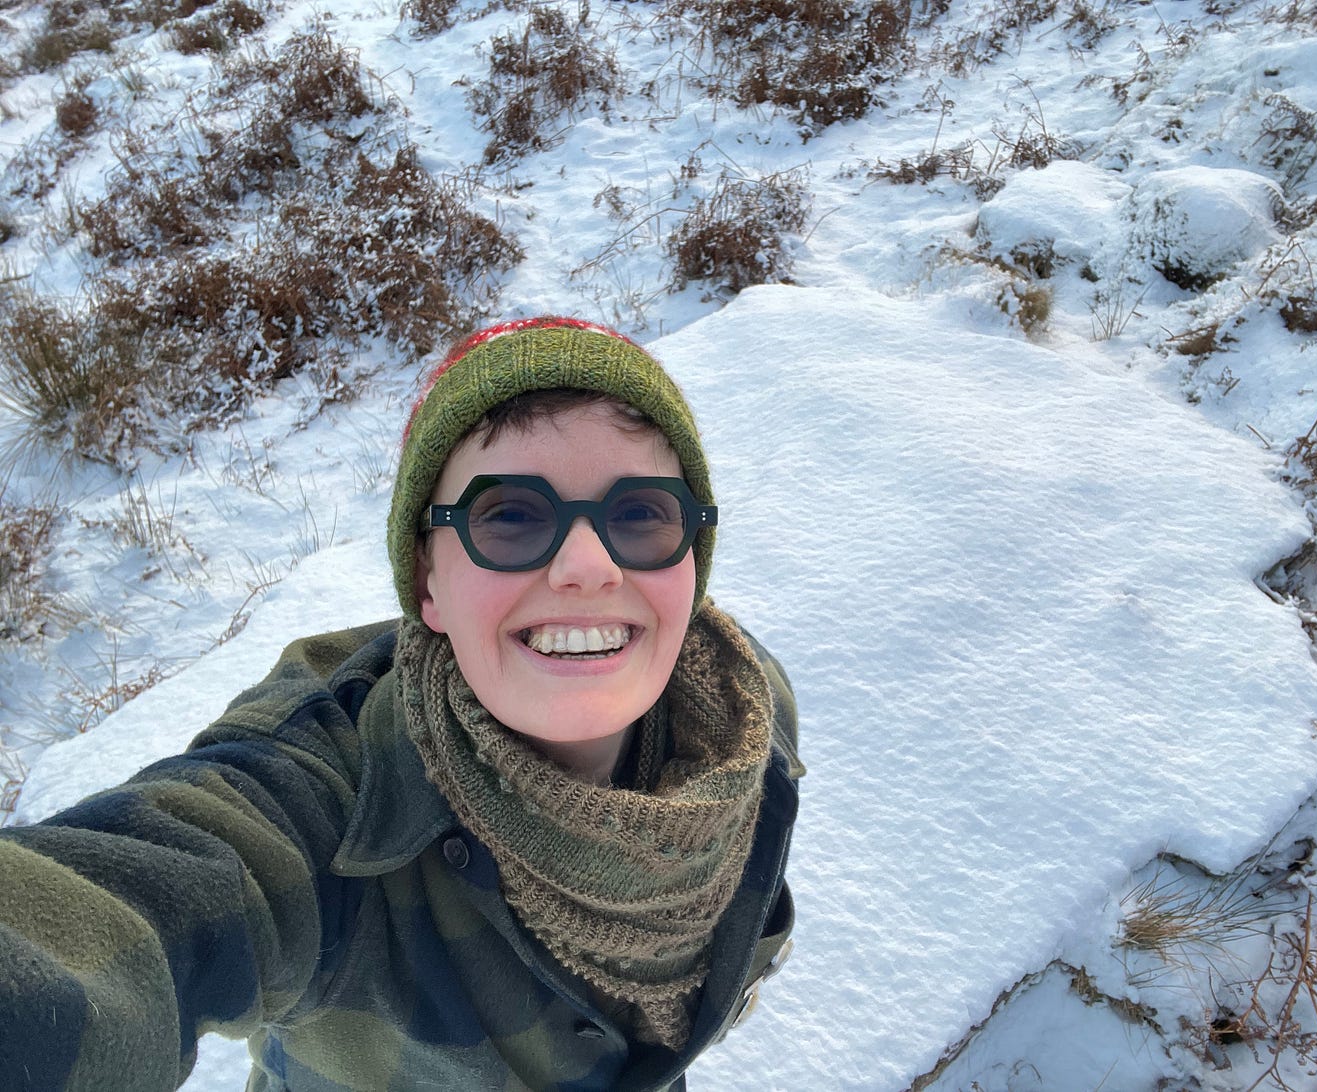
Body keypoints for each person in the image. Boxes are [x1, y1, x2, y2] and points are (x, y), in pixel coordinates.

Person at [0, 316, 803, 1091]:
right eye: (512, 518)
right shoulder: (329, 804)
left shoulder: (743, 718)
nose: (587, 566)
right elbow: (127, 911)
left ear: (690, 563)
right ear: (427, 583)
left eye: (640, 515)